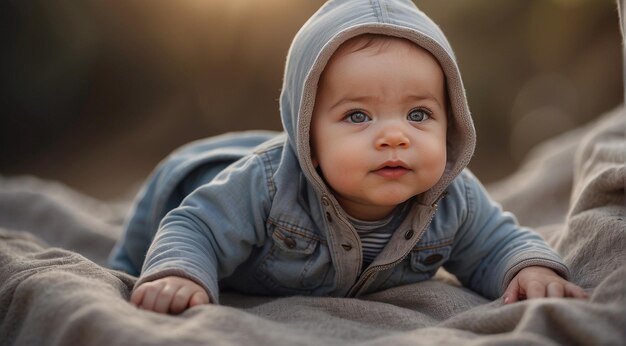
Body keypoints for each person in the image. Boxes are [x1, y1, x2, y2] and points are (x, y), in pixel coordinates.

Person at [109, 0, 587, 314]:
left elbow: (497, 242)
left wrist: (530, 268)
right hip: (187, 186)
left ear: (453, 122)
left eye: (419, 113)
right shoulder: (267, 188)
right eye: (359, 117)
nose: (395, 136)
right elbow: (194, 225)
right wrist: (176, 273)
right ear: (307, 133)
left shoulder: (451, 199)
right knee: (144, 257)